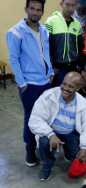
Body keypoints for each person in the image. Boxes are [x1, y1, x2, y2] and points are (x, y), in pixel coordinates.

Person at [6, 0, 53, 167]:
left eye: (38, 9)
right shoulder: (15, 32)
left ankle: (43, 146)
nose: (35, 12)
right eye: (32, 8)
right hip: (29, 85)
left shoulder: (44, 30)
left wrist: (51, 72)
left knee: (46, 117)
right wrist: (22, 84)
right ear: (26, 9)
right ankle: (30, 150)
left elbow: (46, 53)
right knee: (31, 118)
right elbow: (14, 60)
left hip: (45, 82)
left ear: (42, 12)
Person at [28, 72, 86, 181]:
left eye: (70, 86)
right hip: (51, 131)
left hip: (70, 133)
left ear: (78, 88)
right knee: (44, 142)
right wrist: (50, 134)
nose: (65, 88)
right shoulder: (48, 96)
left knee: (85, 156)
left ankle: (68, 153)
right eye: (64, 84)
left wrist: (84, 147)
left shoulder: (83, 104)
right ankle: (47, 166)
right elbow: (35, 119)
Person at [45, 0, 85, 87]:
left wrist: (80, 64)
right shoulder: (51, 21)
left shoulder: (77, 24)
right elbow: (46, 46)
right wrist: (52, 66)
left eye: (73, 6)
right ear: (61, 4)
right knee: (58, 92)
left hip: (73, 67)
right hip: (57, 67)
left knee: (71, 92)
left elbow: (80, 46)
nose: (70, 8)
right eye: (67, 5)